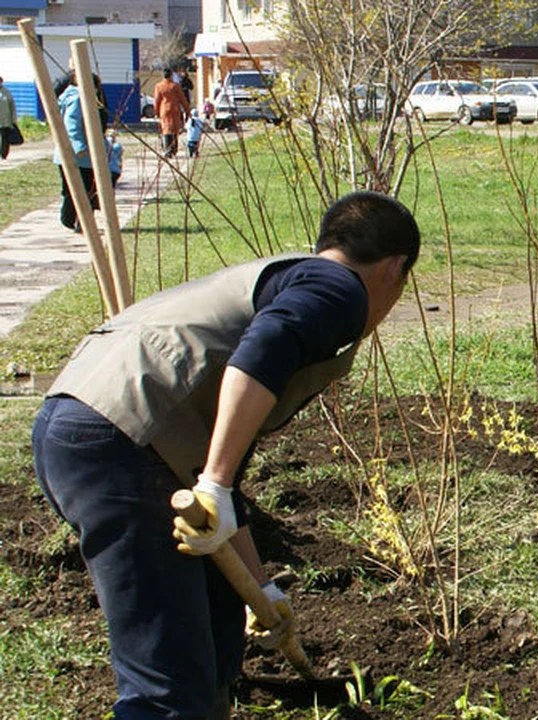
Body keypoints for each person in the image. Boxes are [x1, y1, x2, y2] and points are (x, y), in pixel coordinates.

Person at [31, 191, 420, 719]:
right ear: (395, 270)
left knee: (217, 638)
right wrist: (213, 481)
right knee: (167, 692)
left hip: (83, 426)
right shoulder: (338, 288)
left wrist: (260, 586)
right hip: (125, 443)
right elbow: (261, 355)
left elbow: (219, 491)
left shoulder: (280, 281)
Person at [53, 72, 107, 232]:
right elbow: (72, 125)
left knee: (78, 190)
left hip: (73, 154)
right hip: (79, 155)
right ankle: (72, 220)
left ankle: (80, 222)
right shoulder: (78, 99)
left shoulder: (75, 97)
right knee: (82, 190)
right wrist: (80, 147)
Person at [153, 67, 190, 158]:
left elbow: (157, 100)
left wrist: (156, 112)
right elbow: (182, 99)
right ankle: (173, 149)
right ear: (171, 75)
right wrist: (187, 110)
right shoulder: (175, 86)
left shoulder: (159, 86)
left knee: (166, 129)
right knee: (174, 129)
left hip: (164, 110)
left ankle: (167, 149)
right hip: (174, 109)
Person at [0, 75, 18, 160]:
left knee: (4, 139)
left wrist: (13, 120)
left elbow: (12, 106)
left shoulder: (6, 92)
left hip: (5, 120)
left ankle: (3, 154)